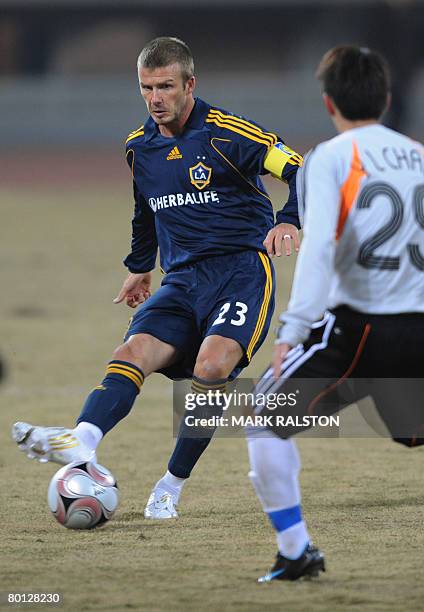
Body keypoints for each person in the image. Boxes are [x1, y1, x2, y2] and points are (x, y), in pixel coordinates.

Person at [12, 37, 303, 519]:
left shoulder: (228, 134)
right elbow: (144, 211)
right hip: (181, 278)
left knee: (212, 369)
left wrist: (288, 218)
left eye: (166, 86)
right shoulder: (139, 148)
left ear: (190, 84)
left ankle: (170, 485)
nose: (155, 98)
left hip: (241, 273)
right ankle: (80, 442)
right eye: (147, 88)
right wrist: (138, 266)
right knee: (131, 353)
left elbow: (297, 168)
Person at [247, 45, 424, 582]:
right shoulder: (418, 155)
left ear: (328, 103)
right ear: (388, 98)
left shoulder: (328, 157)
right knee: (411, 433)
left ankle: (296, 551)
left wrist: (292, 329)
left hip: (361, 327)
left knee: (263, 420)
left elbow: (319, 247)